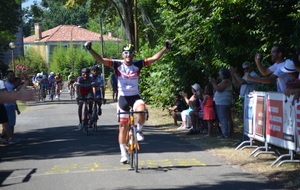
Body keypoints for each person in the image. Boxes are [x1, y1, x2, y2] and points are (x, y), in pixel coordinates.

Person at [84, 40, 171, 163]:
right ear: (122, 54)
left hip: (135, 96)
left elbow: (154, 58)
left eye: (130, 53)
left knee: (142, 111)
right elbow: (101, 60)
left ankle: (139, 130)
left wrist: (165, 48)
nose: (128, 55)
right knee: (123, 127)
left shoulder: (138, 64)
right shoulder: (117, 64)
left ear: (133, 54)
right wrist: (90, 49)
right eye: (126, 52)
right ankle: (123, 154)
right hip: (123, 98)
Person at [209, 68, 233, 138]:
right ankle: (227, 132)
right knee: (225, 118)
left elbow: (219, 89)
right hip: (222, 102)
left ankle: (225, 133)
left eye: (220, 74)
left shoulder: (225, 81)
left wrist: (213, 83)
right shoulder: (225, 81)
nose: (219, 75)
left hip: (223, 102)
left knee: (223, 118)